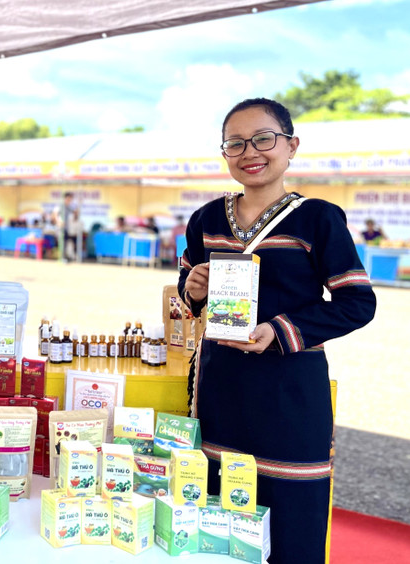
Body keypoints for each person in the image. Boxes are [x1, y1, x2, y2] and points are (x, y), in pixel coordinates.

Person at [178, 98, 375, 564]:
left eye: (264, 138)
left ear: (291, 146)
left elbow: (357, 303)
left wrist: (280, 330)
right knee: (217, 528)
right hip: (221, 391)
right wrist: (194, 288)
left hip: (290, 398)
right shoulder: (205, 219)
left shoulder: (319, 218)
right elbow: (186, 301)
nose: (250, 151)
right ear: (224, 153)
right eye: (235, 143)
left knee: (291, 531)